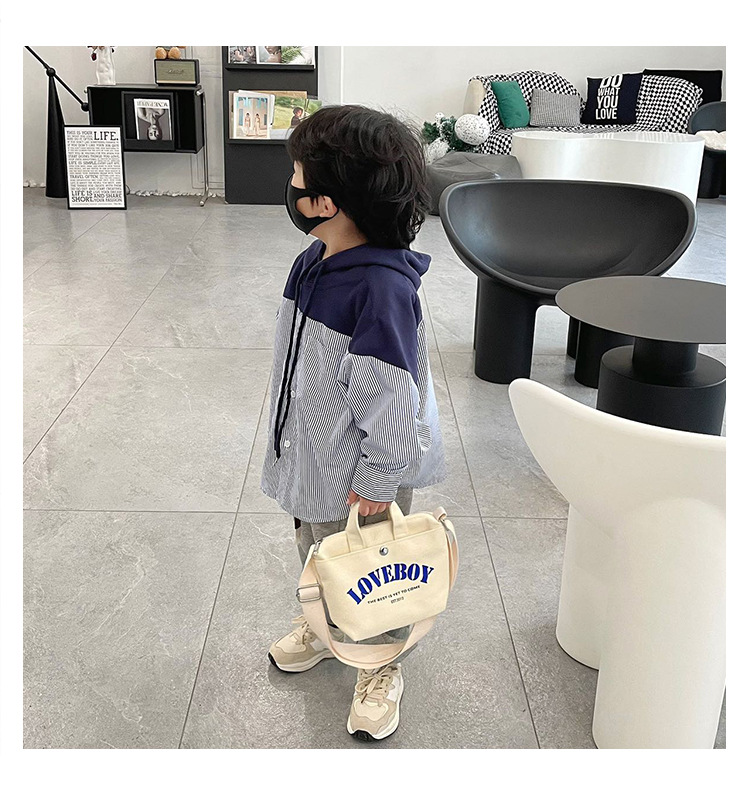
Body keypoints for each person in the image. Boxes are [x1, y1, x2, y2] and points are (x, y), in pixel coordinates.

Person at [262, 104, 446, 741]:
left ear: (326, 201)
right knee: (318, 554)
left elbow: (393, 402)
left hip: (359, 478)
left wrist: (376, 482)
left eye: (296, 175)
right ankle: (325, 627)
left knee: (374, 573)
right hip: (315, 457)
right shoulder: (316, 260)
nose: (289, 185)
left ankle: (380, 662)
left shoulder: (380, 291)